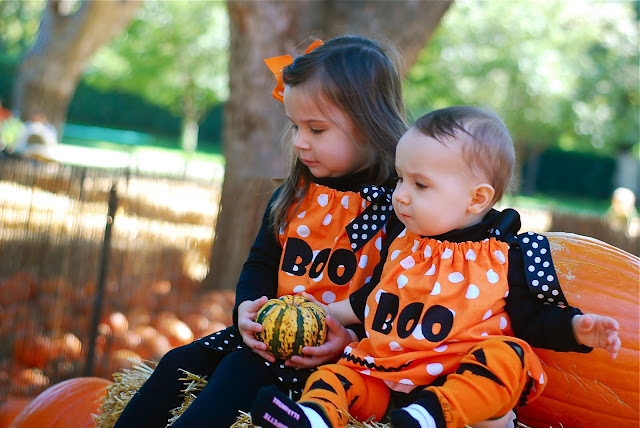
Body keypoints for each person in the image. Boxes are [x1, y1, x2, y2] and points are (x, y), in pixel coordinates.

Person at [251, 106, 621, 428]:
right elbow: (374, 297)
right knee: (337, 376)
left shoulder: (508, 255)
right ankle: (314, 417)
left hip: (457, 382)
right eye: (400, 178)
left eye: (421, 185)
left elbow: (533, 320)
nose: (400, 194)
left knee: (510, 356)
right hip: (384, 378)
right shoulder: (403, 240)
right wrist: (324, 313)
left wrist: (576, 328)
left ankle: (432, 415)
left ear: (477, 198)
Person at [114, 35, 408, 427]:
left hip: (336, 360)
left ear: (370, 124)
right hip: (268, 336)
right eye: (295, 126)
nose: (300, 142)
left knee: (238, 374)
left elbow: (396, 293)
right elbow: (261, 262)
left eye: (316, 130)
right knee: (178, 363)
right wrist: (246, 309)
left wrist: (351, 340)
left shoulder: (401, 207)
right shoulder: (298, 195)